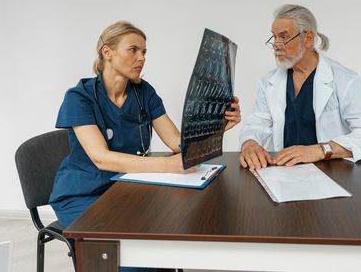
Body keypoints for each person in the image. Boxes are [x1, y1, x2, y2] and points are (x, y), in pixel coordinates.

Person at [49, 21, 241, 271]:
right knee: (130, 259)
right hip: (84, 193)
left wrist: (219, 124)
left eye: (144, 52)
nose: (141, 58)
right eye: (133, 50)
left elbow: (177, 142)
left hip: (128, 189)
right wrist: (166, 165)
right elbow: (101, 158)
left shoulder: (143, 92)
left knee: (158, 249)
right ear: (107, 52)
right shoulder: (79, 97)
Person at [239, 4, 361, 170]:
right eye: (274, 37)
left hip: (332, 173)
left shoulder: (344, 79)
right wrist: (249, 143)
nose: (276, 44)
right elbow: (257, 123)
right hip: (284, 173)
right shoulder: (269, 82)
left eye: (283, 36)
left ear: (308, 38)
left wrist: (321, 150)